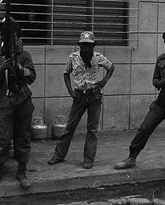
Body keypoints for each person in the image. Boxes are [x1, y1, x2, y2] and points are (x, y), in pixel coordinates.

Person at [114, 28, 165, 188]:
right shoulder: (161, 58)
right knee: (145, 128)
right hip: (162, 102)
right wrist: (161, 83)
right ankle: (131, 157)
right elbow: (155, 80)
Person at [47, 31, 115, 169]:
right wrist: (71, 91)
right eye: (83, 45)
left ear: (93, 46)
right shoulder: (73, 57)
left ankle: (88, 159)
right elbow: (66, 73)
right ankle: (58, 155)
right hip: (79, 96)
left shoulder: (98, 57)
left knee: (92, 129)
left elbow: (111, 67)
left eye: (88, 45)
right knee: (69, 127)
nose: (86, 48)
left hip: (94, 95)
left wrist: (103, 82)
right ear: (79, 45)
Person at [0, 17, 36, 189]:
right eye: (7, 36)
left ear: (17, 37)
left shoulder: (24, 55)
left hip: (23, 100)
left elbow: (32, 77)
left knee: (23, 138)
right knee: (3, 138)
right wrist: (2, 68)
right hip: (6, 101)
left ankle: (21, 171)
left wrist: (19, 67)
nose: (11, 39)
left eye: (14, 36)